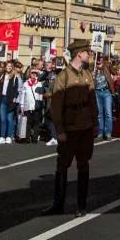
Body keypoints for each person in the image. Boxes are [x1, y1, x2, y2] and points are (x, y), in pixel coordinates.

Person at [46, 39, 98, 216]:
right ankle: (58, 204)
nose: (89, 55)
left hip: (85, 127)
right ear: (79, 54)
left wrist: (95, 123)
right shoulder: (64, 77)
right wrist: (59, 130)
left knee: (83, 164)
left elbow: (93, 101)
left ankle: (81, 206)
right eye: (87, 52)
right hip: (69, 128)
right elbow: (56, 106)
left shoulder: (87, 74)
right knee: (63, 164)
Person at [0, 60, 20, 144]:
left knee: (9, 119)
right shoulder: (2, 75)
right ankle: (2, 136)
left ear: (12, 67)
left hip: (10, 100)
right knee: (3, 119)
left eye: (10, 66)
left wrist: (14, 99)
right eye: (7, 66)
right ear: (5, 67)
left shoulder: (15, 77)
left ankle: (9, 136)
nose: (8, 67)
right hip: (2, 98)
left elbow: (16, 90)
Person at [93, 56, 115, 140]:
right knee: (99, 114)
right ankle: (100, 132)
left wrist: (107, 64)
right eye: (97, 58)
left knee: (108, 113)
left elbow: (114, 72)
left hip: (106, 92)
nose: (99, 60)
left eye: (100, 58)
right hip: (97, 92)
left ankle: (108, 132)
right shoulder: (94, 67)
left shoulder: (106, 66)